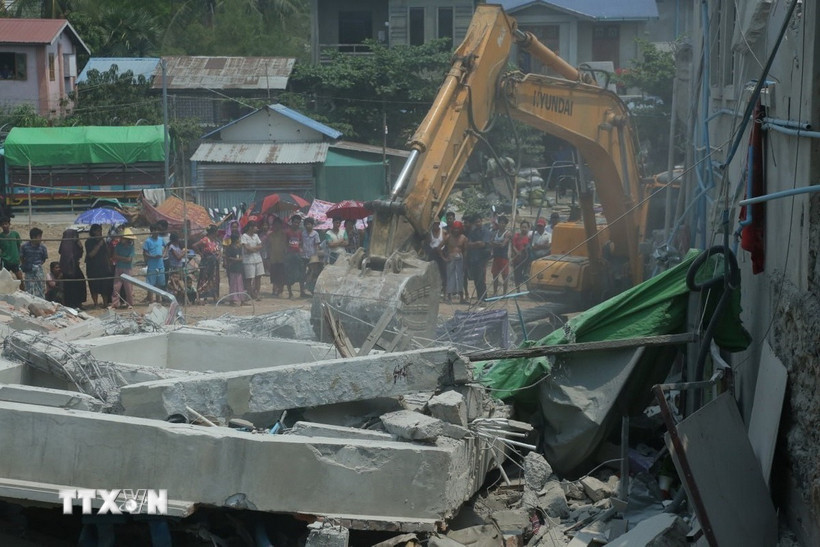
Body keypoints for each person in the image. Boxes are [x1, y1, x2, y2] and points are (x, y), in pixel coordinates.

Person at [84, 224, 113, 308]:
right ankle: (95, 303)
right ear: (93, 232)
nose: (100, 232)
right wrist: (99, 245)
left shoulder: (103, 241)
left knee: (105, 285)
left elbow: (107, 253)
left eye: (100, 231)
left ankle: (105, 303)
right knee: (94, 286)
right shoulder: (89, 242)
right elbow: (91, 254)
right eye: (98, 231)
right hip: (93, 267)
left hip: (103, 266)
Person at [464, 214, 491, 301]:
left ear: (481, 221)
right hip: (474, 259)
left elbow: (482, 244)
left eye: (479, 221)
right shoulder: (473, 232)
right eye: (476, 222)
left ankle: (483, 299)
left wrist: (474, 244)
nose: (477, 223)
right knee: (476, 280)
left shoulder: (486, 231)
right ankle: (480, 298)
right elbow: (468, 244)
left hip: (482, 259)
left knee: (481, 280)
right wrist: (477, 244)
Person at [59, 229, 87, 310]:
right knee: (70, 286)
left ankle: (78, 303)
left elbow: (80, 254)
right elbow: (63, 254)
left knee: (80, 283)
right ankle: (71, 304)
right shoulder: (65, 245)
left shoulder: (76, 244)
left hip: (75, 267)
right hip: (67, 268)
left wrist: (80, 245)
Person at [194, 225, 221, 303]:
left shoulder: (215, 240)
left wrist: (219, 255)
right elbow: (195, 245)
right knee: (204, 278)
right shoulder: (205, 240)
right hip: (207, 262)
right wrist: (200, 253)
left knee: (214, 279)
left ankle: (214, 295)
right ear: (213, 232)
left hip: (214, 263)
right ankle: (201, 296)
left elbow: (218, 250)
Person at [110, 228, 136, 309]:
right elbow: (114, 256)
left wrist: (119, 257)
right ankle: (115, 304)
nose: (121, 239)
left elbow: (129, 259)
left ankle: (130, 303)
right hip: (119, 267)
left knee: (128, 287)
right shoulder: (118, 246)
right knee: (116, 287)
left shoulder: (131, 248)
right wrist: (124, 258)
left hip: (127, 268)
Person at [443, 220, 467, 303]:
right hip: (451, 259)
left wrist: (465, 263)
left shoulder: (463, 238)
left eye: (458, 229)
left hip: (460, 259)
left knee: (460, 278)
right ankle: (449, 298)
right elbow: (439, 247)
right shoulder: (448, 237)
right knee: (450, 278)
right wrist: (444, 258)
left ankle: (461, 298)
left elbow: (465, 251)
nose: (456, 230)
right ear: (452, 229)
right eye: (455, 228)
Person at [21, 227, 48, 299]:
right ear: (33, 237)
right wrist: (26, 265)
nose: (41, 239)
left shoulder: (43, 247)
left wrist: (37, 266)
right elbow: (21, 257)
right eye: (39, 236)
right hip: (29, 270)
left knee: (40, 287)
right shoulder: (24, 246)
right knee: (29, 288)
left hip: (39, 270)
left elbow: (44, 259)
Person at [240, 220, 264, 301]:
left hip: (258, 259)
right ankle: (250, 294)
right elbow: (247, 248)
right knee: (249, 278)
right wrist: (255, 248)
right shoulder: (244, 236)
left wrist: (252, 249)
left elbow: (260, 246)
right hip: (248, 261)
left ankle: (257, 293)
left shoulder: (256, 236)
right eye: (255, 227)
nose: (257, 228)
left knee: (258, 277)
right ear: (251, 227)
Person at [143, 223, 166, 304]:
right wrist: (153, 256)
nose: (156, 232)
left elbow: (166, 246)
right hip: (152, 265)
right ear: (151, 231)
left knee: (159, 284)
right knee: (151, 284)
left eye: (157, 230)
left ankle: (158, 300)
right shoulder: (148, 241)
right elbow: (145, 253)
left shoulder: (161, 239)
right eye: (154, 230)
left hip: (160, 265)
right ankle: (151, 301)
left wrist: (163, 254)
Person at [490, 215, 512, 296]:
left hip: (503, 257)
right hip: (496, 257)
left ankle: (504, 293)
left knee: (504, 276)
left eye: (503, 223)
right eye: (500, 223)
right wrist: (498, 244)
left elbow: (503, 245)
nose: (501, 225)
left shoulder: (507, 233)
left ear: (505, 224)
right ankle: (495, 292)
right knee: (495, 276)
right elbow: (491, 242)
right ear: (498, 223)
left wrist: (495, 244)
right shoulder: (495, 233)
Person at [284, 215, 304, 298]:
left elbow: (301, 242)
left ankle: (302, 292)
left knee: (301, 272)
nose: (296, 224)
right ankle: (290, 293)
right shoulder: (287, 232)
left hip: (298, 255)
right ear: (291, 222)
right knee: (288, 274)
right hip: (289, 255)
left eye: (298, 223)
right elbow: (284, 243)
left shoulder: (300, 232)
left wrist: (300, 248)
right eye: (295, 222)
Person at [223, 232, 246, 305]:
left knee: (240, 284)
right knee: (233, 284)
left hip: (239, 267)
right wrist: (236, 259)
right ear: (236, 239)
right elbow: (228, 257)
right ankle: (232, 299)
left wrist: (239, 259)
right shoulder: (229, 248)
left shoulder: (239, 247)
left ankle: (242, 299)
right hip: (233, 268)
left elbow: (241, 257)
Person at [266, 217, 286, 296]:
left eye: (278, 224)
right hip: (273, 258)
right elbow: (268, 246)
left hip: (282, 258)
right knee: (274, 275)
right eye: (275, 225)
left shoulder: (284, 235)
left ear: (281, 225)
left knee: (281, 275)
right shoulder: (270, 235)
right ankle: (274, 289)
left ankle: (280, 290)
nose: (276, 226)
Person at [0, 216, 23, 287]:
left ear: (9, 224)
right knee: (4, 279)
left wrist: (20, 257)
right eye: (3, 224)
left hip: (14, 260)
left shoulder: (15, 234)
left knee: (20, 278)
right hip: (5, 261)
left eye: (6, 224)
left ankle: (24, 291)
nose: (4, 226)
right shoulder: (0, 236)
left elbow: (19, 246)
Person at [301, 218, 321, 295]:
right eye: (306, 224)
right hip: (304, 256)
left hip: (312, 257)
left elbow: (317, 245)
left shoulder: (315, 234)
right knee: (303, 273)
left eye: (309, 224)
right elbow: (301, 243)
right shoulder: (303, 233)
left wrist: (317, 256)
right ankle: (302, 290)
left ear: (312, 225)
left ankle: (311, 290)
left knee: (312, 273)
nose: (307, 226)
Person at [426, 221, 446, 294]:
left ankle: (444, 289)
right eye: (434, 224)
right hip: (433, 253)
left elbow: (445, 241)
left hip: (441, 253)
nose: (436, 225)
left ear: (439, 224)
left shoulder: (443, 232)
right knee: (433, 271)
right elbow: (427, 243)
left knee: (443, 271)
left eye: (437, 224)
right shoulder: (429, 233)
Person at [511, 220, 531, 291]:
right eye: (522, 227)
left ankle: (528, 290)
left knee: (527, 275)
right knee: (517, 275)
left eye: (525, 227)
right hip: (517, 259)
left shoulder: (529, 238)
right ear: (520, 227)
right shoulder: (516, 236)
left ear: (528, 228)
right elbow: (513, 246)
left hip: (526, 259)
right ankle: (518, 290)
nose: (523, 229)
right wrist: (517, 252)